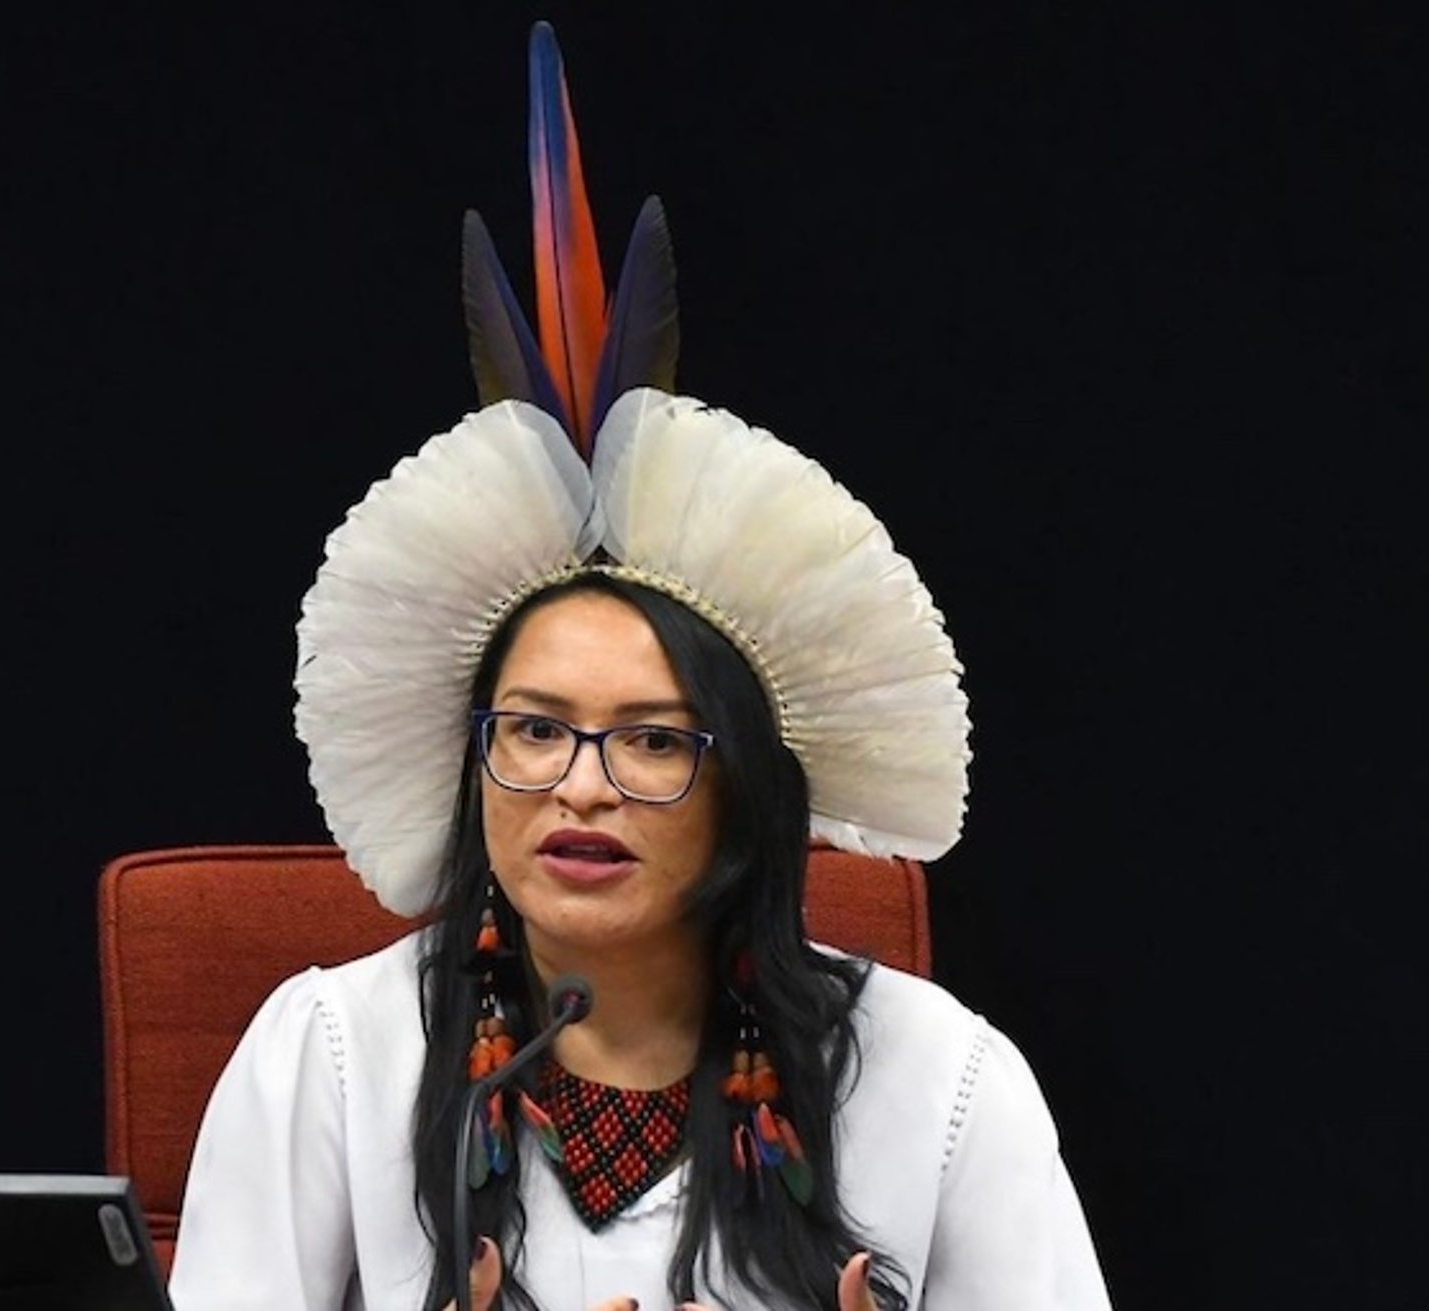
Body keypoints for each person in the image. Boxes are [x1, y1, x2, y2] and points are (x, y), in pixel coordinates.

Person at [169, 22, 1114, 1311]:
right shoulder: (333, 1055)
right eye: (537, 730)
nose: (584, 787)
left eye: (657, 741)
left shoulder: (938, 1080)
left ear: (749, 791)